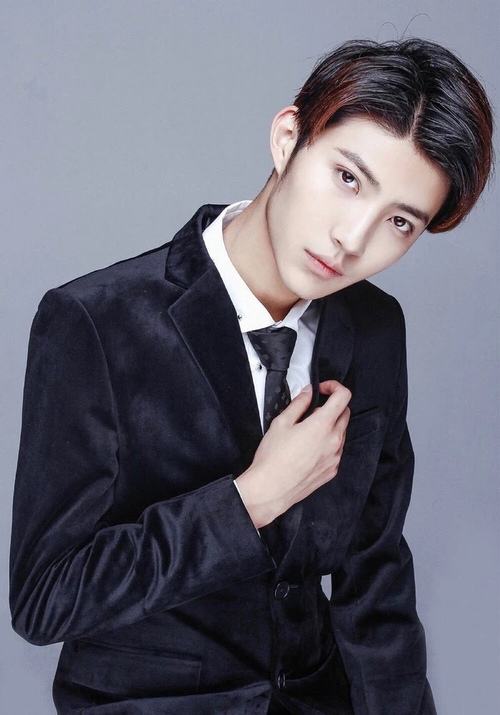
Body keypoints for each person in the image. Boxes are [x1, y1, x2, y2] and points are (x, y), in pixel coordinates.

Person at [9, 37, 494, 715]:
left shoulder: (375, 329)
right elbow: (45, 598)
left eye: (399, 221)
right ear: (288, 138)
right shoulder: (96, 322)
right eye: (347, 178)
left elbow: (376, 579)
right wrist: (248, 502)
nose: (353, 239)